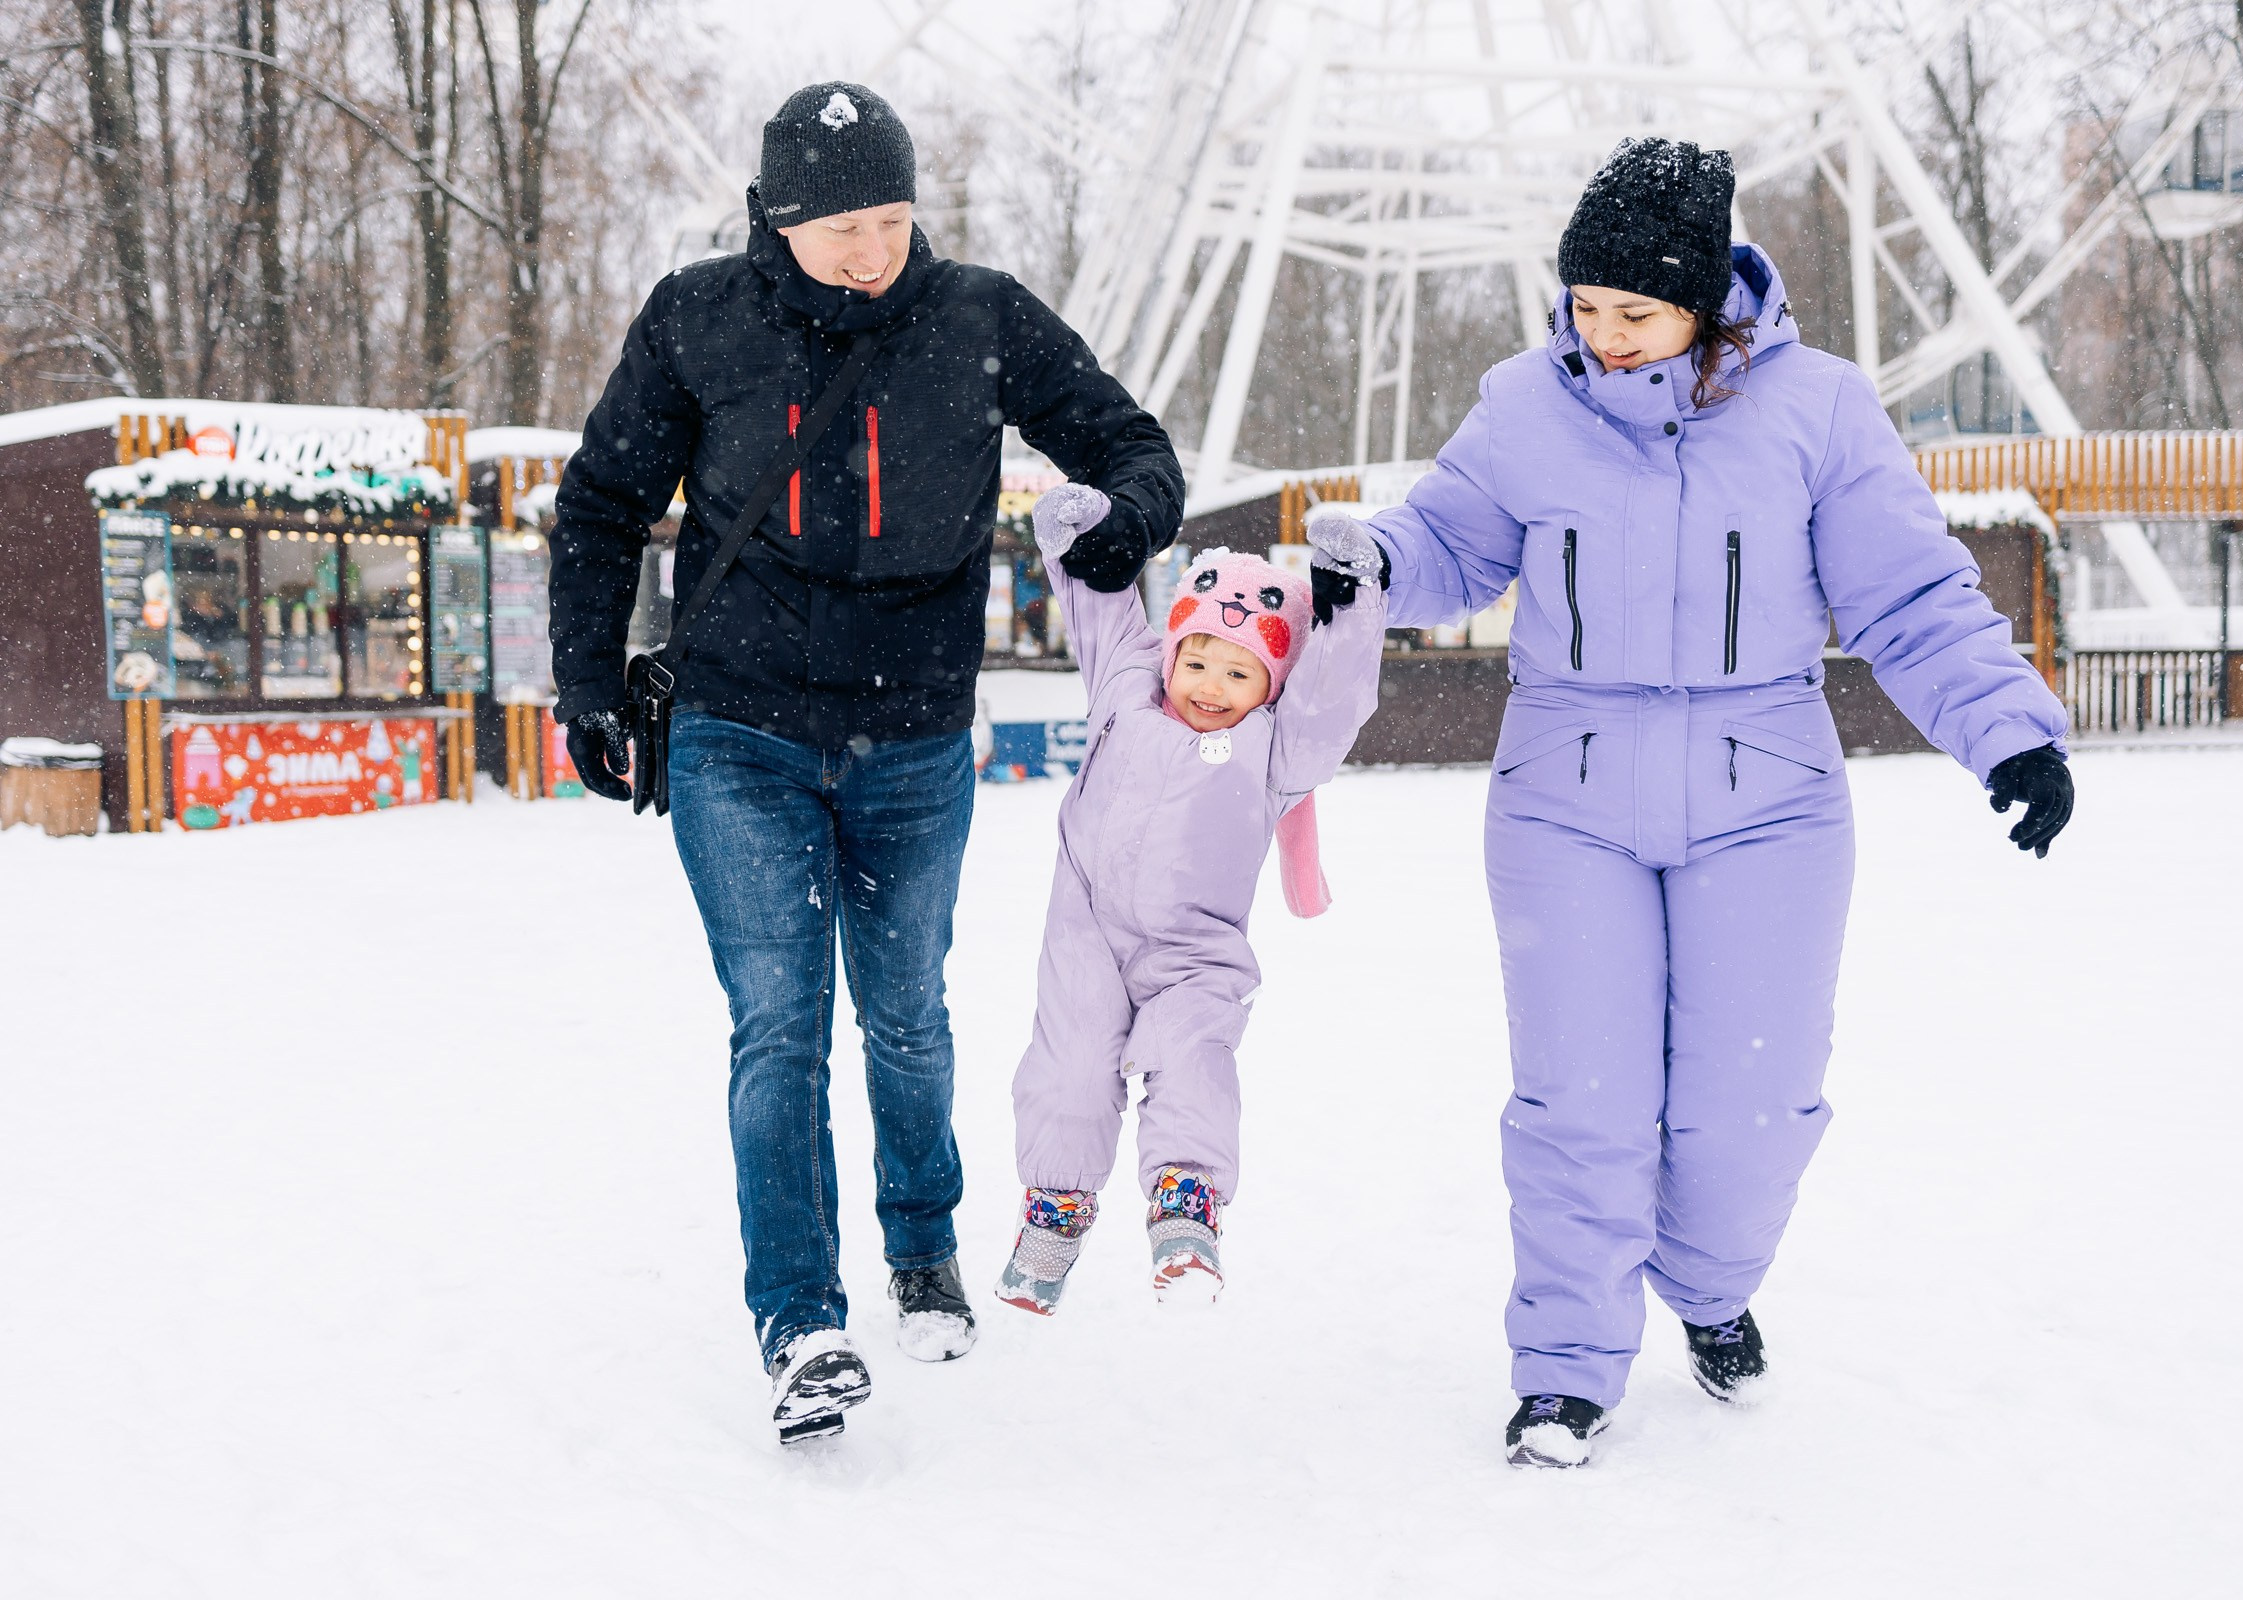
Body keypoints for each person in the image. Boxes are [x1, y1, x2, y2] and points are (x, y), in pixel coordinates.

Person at [1311, 137, 2075, 1469]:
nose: (1602, 338)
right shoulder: (1524, 403)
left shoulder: (1818, 411)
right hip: (1568, 790)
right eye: (1585, 309)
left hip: (1767, 792)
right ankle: (1564, 1368)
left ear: (1707, 301)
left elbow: (1906, 594)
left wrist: (2008, 734)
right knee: (1580, 1103)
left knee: (1751, 1106)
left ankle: (1712, 1288)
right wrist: (1374, 564)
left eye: (1634, 313)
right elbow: (1449, 543)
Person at [546, 82, 1185, 1447]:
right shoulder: (698, 318)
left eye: (890, 219)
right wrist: (591, 682)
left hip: (910, 736)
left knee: (905, 1011)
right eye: (840, 227)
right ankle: (800, 1323)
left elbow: (1132, 443)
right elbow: (601, 503)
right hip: (739, 730)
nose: (868, 250)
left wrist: (1130, 518)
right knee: (778, 1021)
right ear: (777, 220)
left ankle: (920, 1242)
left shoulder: (983, 320)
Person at [992, 486, 1387, 1314]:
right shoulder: (1125, 691)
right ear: (1172, 651)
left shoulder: (1278, 746)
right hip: (1087, 933)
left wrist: (1347, 602)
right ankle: (1056, 1213)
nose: (1211, 685)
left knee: (1192, 1062)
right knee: (1067, 1072)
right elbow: (1106, 615)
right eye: (1198, 661)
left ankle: (1186, 1214)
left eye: (1241, 672)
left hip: (1195, 955)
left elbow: (1335, 698)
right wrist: (1082, 546)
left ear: (1270, 682)